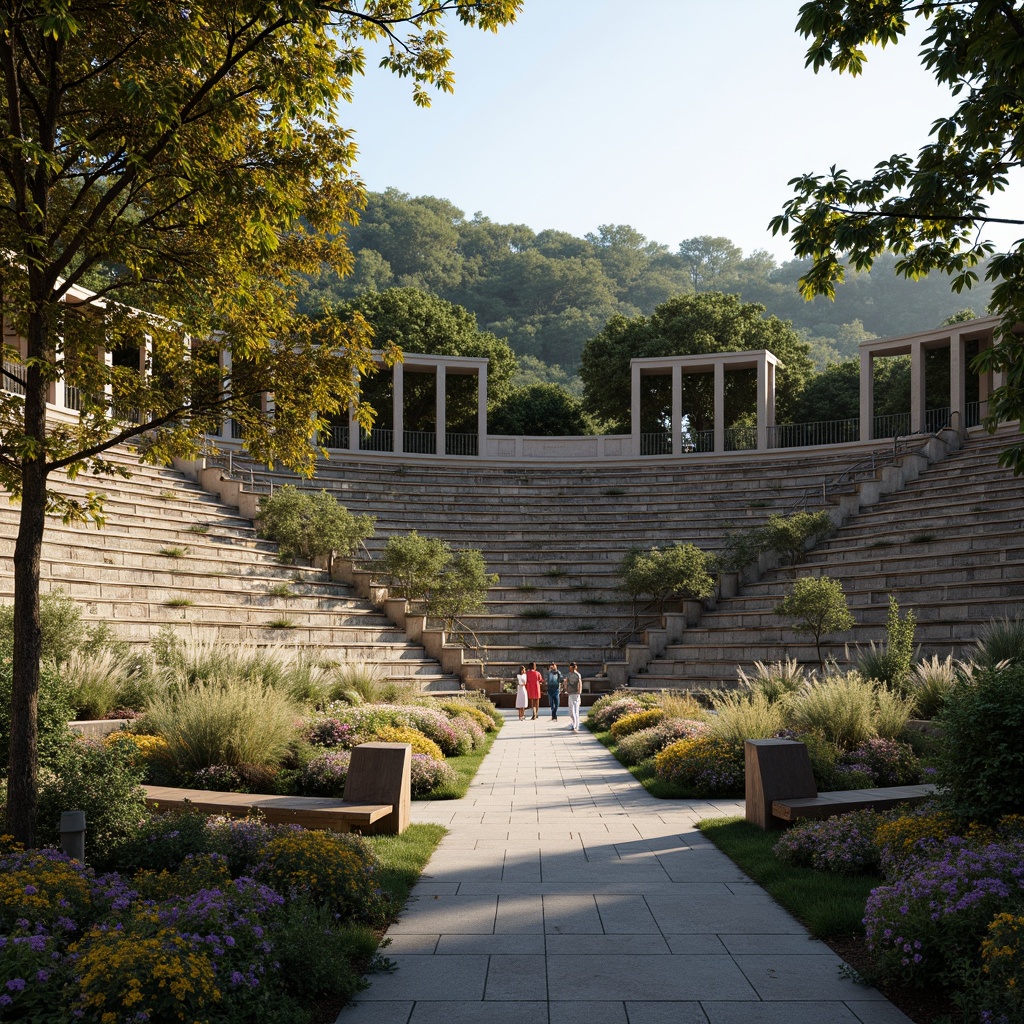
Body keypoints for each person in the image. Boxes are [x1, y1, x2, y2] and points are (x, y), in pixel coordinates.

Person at [563, 661, 584, 731]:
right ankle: (573, 723)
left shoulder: (577, 675)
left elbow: (580, 683)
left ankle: (576, 725)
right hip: (570, 693)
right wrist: (565, 689)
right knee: (571, 710)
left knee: (575, 710)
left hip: (576, 694)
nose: (570, 668)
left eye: (571, 667)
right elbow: (566, 682)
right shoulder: (568, 675)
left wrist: (579, 692)